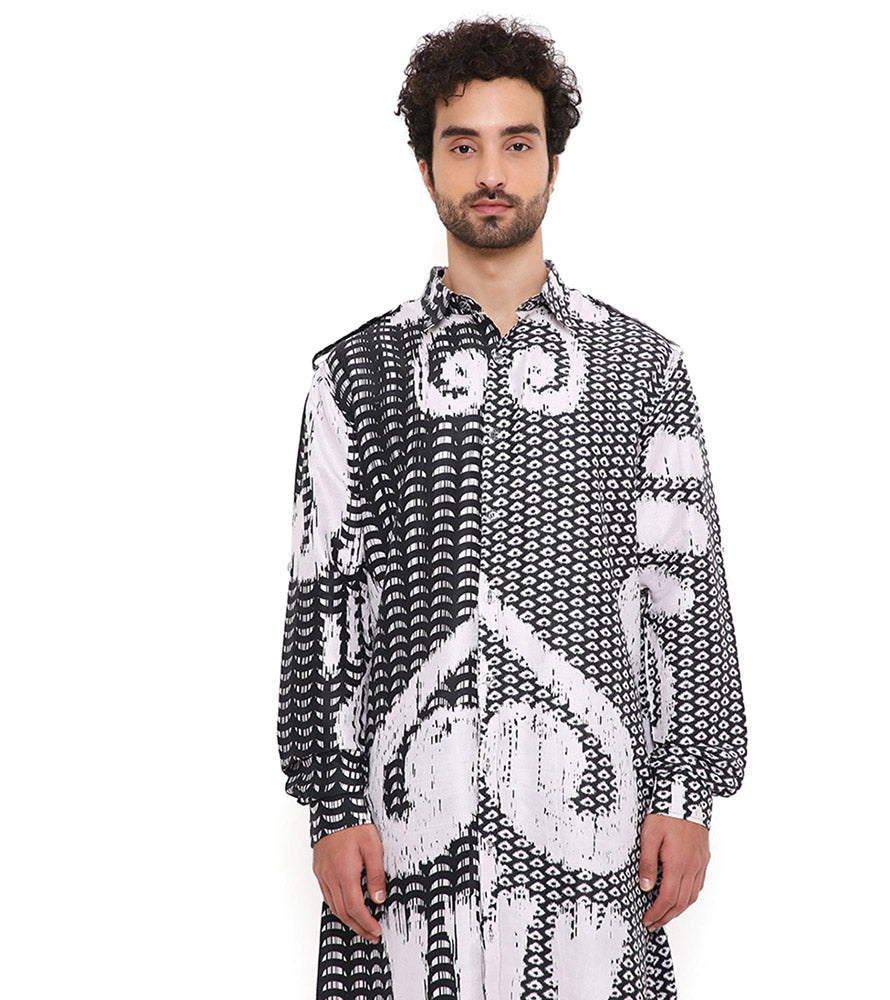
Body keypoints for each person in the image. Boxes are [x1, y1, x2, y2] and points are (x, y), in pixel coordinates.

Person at [277, 15, 748, 1000]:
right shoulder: (353, 378)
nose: (491, 172)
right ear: (425, 168)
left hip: (591, 857)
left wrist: (689, 793)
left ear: (553, 164)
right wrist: (331, 805)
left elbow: (683, 593)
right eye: (463, 146)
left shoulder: (641, 370)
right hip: (408, 853)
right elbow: (327, 603)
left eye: (516, 143)